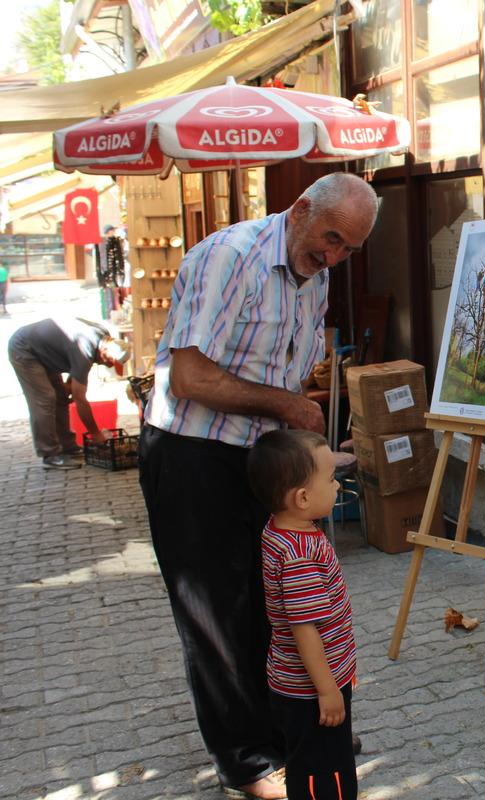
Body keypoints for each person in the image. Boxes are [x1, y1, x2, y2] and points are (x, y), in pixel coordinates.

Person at [138, 172, 378, 800]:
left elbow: (288, 374)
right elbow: (189, 378)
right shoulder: (228, 257)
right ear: (299, 210)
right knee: (217, 614)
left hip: (255, 454)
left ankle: (286, 727)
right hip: (191, 451)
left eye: (348, 250)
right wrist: (287, 406)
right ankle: (243, 760)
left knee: (274, 603)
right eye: (329, 239)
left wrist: (309, 440)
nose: (332, 258)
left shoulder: (317, 276)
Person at [248, 429, 357, 800]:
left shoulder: (283, 532)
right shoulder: (298, 556)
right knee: (323, 775)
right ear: (303, 497)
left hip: (309, 683)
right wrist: (327, 689)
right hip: (311, 691)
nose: (337, 487)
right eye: (330, 480)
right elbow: (304, 628)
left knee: (320, 761)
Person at [7, 317, 129, 468]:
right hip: (25, 349)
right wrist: (95, 433)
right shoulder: (85, 348)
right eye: (109, 361)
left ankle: (67, 446)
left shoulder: (103, 337)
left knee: (61, 397)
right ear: (104, 351)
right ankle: (49, 454)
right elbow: (80, 399)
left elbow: (76, 361)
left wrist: (70, 383)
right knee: (45, 399)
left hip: (45, 352)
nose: (108, 365)